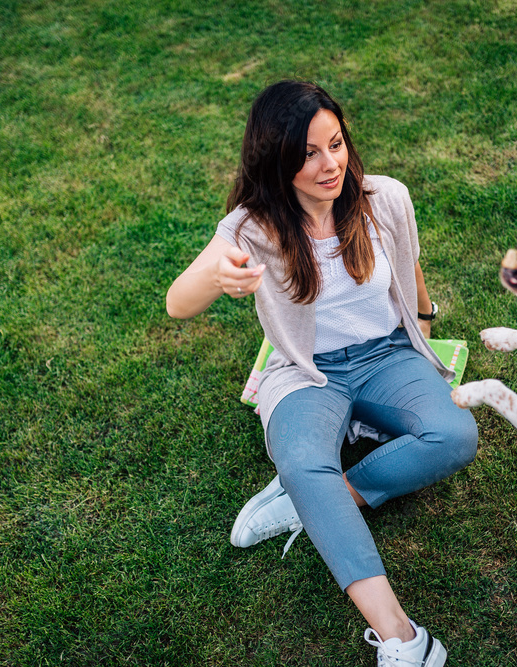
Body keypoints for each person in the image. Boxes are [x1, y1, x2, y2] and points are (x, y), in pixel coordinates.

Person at [166, 80, 478, 666]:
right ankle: (404, 640)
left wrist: (425, 334)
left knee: (456, 434)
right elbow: (177, 303)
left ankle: (319, 498)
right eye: (308, 154)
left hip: (388, 355)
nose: (330, 164)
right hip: (308, 373)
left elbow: (410, 271)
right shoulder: (251, 227)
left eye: (335, 144)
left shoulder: (385, 198)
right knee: (304, 459)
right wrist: (217, 279)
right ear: (276, 161)